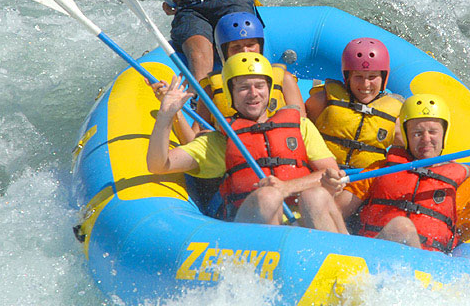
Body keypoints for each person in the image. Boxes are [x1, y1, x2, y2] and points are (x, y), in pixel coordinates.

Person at [147, 52, 347, 232]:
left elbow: (330, 173)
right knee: (268, 197)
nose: (253, 93)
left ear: (269, 89)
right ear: (230, 94)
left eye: (259, 86)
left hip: (304, 224)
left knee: (316, 196)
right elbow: (159, 164)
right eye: (243, 88)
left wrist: (286, 188)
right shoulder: (219, 142)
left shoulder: (300, 127)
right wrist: (167, 114)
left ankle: (338, 262)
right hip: (251, 230)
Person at [328, 93, 470, 253]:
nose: (426, 139)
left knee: (401, 227)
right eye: (417, 133)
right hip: (366, 259)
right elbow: (335, 211)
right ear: (405, 137)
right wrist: (328, 189)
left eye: (433, 132)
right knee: (315, 198)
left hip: (425, 273)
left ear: (444, 135)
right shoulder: (380, 169)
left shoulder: (463, 184)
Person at [304, 38, 403, 170]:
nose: (365, 84)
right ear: (348, 77)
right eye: (358, 77)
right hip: (323, 175)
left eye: (372, 77)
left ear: (383, 77)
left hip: (364, 182)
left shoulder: (396, 117)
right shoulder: (322, 100)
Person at [196, 12, 304, 129]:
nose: (245, 52)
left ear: (260, 46)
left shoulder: (284, 79)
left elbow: (302, 124)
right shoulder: (211, 89)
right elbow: (197, 133)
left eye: (251, 45)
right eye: (236, 47)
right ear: (224, 52)